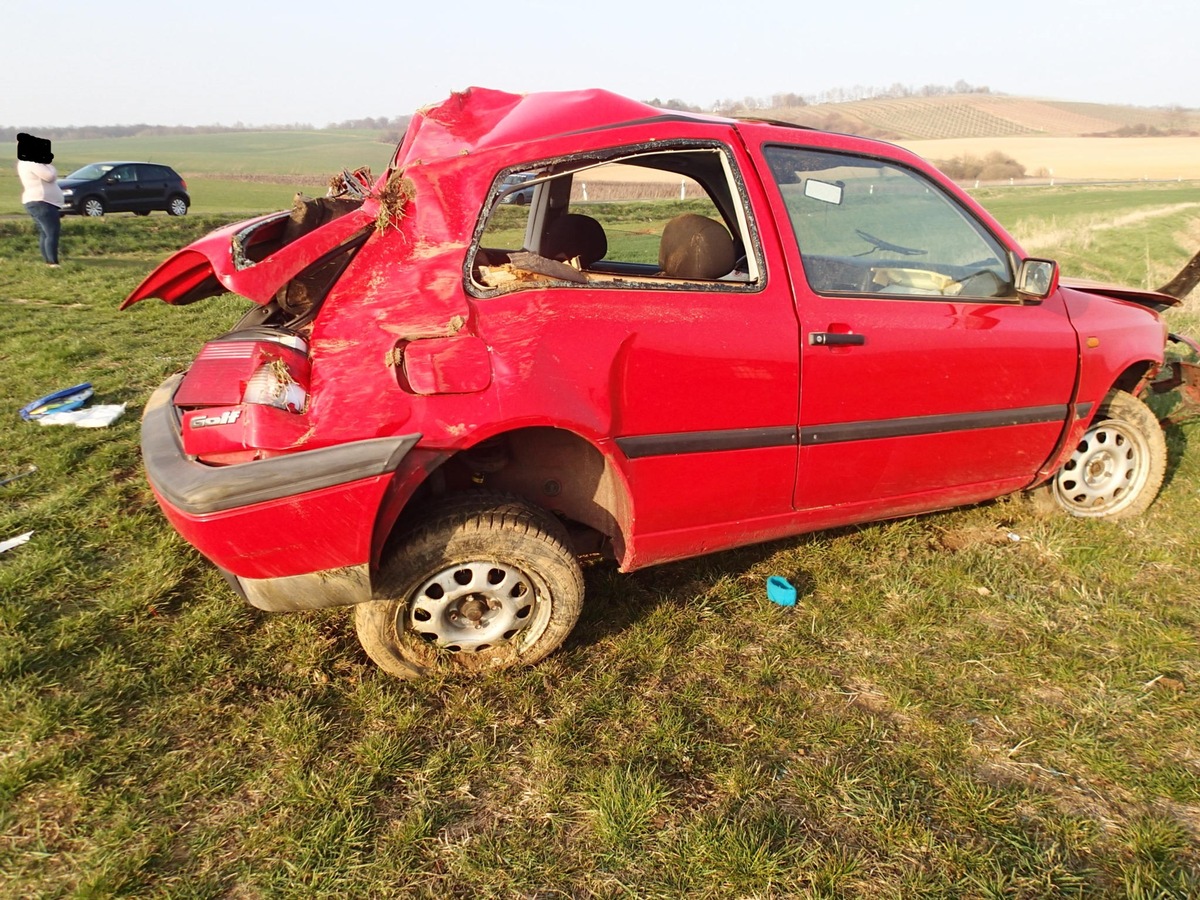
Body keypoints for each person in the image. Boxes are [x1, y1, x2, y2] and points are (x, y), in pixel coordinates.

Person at [16, 132, 64, 267]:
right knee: (51, 232)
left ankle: (48, 260)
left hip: (38, 201)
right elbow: (49, 176)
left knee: (45, 232)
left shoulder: (27, 162)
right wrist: (51, 167)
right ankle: (53, 263)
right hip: (42, 201)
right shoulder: (31, 162)